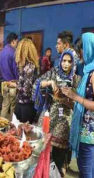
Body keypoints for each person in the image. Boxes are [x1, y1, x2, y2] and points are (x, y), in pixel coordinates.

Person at [34, 49, 79, 177]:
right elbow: (39, 82)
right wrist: (50, 82)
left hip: (64, 120)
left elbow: (78, 105)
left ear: (73, 63)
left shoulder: (76, 79)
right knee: (43, 148)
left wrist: (65, 100)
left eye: (69, 61)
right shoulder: (54, 73)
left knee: (59, 153)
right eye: (64, 60)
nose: (65, 64)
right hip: (49, 116)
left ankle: (59, 172)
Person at [61, 32, 94, 178]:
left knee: (86, 171)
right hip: (85, 132)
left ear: (88, 49)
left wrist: (75, 97)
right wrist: (70, 99)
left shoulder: (93, 74)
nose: (79, 53)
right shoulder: (88, 70)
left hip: (90, 134)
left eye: (80, 49)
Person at [14, 38, 39, 124]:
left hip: (27, 106)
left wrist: (14, 85)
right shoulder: (25, 66)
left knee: (24, 133)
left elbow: (26, 91)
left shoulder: (30, 67)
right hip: (21, 104)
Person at [0, 33, 19, 119]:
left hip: (4, 83)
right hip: (12, 84)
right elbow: (16, 69)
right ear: (13, 41)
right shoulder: (14, 53)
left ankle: (0, 125)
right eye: (17, 41)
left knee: (4, 106)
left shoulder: (2, 52)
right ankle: (12, 127)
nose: (17, 43)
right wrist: (18, 80)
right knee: (13, 107)